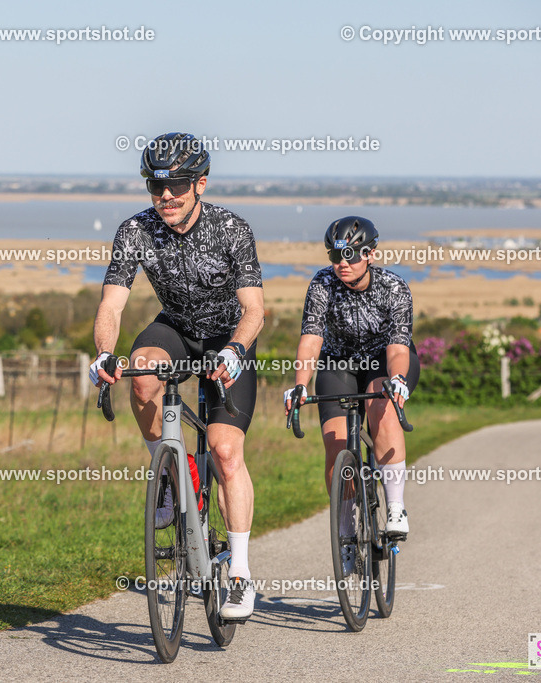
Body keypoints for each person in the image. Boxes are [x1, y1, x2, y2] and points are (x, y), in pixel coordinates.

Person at [90, 132, 264, 620]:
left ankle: (240, 574)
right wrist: (104, 354)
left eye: (177, 186)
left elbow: (254, 310)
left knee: (225, 453)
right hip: (177, 329)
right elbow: (111, 304)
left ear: (200, 184)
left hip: (228, 337)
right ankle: (169, 473)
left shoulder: (231, 229)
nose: (165, 196)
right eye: (155, 186)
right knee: (142, 374)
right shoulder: (135, 230)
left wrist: (235, 350)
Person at [283, 216, 419, 570]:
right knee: (336, 445)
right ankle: (345, 532)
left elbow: (398, 348)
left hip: (384, 361)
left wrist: (397, 379)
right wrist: (300, 384)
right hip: (338, 363)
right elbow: (311, 340)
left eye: (350, 255)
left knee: (381, 408)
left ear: (370, 254)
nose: (342, 263)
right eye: (335, 255)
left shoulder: (393, 287)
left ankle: (395, 507)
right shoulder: (322, 283)